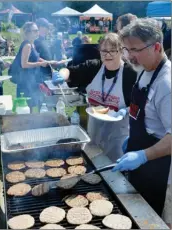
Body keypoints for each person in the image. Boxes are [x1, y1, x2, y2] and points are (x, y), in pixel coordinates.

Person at [112, 18, 171, 222]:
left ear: (156, 46)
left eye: (134, 50)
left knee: (151, 219)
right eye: (126, 50)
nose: (129, 57)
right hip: (141, 161)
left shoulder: (166, 84)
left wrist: (142, 156)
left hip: (159, 169)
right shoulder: (144, 69)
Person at [59, 33, 137, 162]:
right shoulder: (94, 66)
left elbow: (140, 103)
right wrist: (61, 76)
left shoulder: (130, 73)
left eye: (112, 51)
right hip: (94, 129)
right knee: (93, 163)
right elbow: (69, 71)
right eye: (104, 51)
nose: (107, 55)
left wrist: (126, 111)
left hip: (118, 133)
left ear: (121, 51)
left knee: (113, 168)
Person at [14, 22, 49, 111]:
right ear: (28, 32)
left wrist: (47, 61)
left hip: (31, 80)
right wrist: (41, 64)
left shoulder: (32, 44)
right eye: (35, 31)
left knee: (31, 107)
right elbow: (24, 64)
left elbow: (35, 57)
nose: (38, 32)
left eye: (38, 30)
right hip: (25, 82)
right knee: (27, 109)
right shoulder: (27, 45)